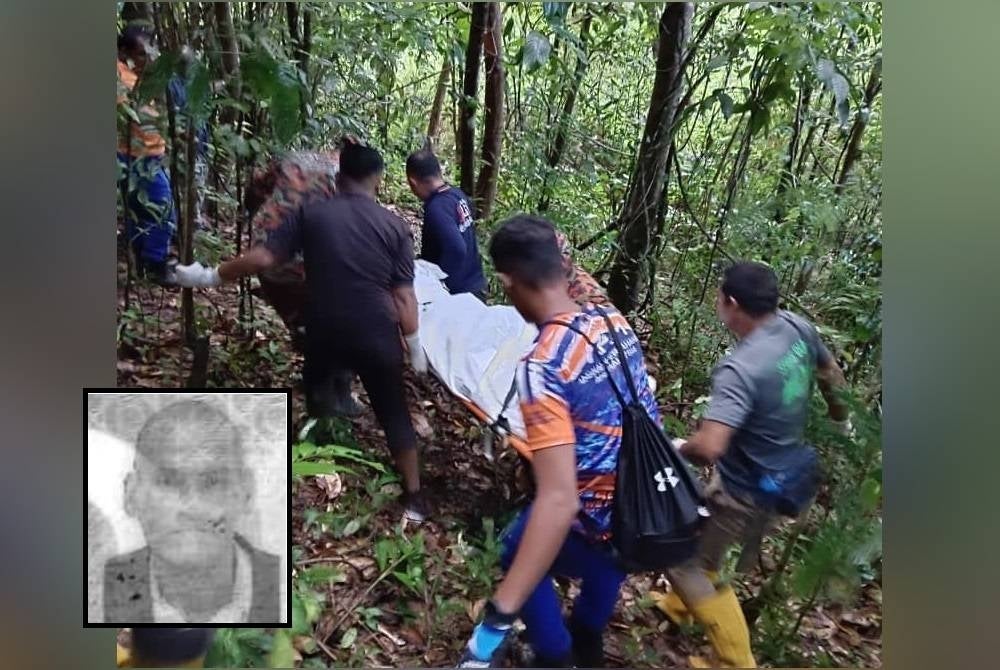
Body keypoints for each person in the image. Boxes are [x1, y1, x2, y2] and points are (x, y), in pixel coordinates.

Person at [170, 139, 432, 522]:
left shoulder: (312, 213)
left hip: (323, 326)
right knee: (394, 413)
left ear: (338, 177)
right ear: (378, 180)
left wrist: (210, 276)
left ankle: (316, 444)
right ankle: (414, 499)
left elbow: (263, 257)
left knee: (316, 377)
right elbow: (404, 297)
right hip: (375, 331)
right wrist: (414, 346)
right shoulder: (395, 227)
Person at [457, 215, 660, 668]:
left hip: (595, 515)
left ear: (508, 282)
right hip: (638, 500)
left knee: (516, 548)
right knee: (607, 556)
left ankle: (556, 655)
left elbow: (560, 500)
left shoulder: (544, 364)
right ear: (564, 268)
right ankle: (587, 635)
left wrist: (496, 620)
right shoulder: (612, 322)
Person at [652, 261, 850, 668]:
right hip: (790, 473)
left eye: (719, 295)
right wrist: (841, 422)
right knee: (705, 542)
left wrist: (675, 445)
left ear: (732, 303)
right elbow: (830, 372)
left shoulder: (739, 369)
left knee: (682, 562)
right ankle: (678, 607)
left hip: (747, 490)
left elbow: (709, 447)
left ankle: (735, 659)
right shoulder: (796, 327)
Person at [102, 400, 281, 624]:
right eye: (167, 481)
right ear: (131, 494)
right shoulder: (94, 590)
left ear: (246, 491)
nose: (192, 507)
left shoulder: (286, 587)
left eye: (213, 482)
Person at [117, 24, 175, 283]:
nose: (149, 58)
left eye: (151, 52)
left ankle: (142, 259)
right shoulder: (121, 79)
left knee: (140, 211)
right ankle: (155, 264)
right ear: (124, 53)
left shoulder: (145, 77)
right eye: (141, 53)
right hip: (135, 157)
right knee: (163, 210)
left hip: (146, 154)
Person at [405, 149, 487, 299]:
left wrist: (437, 282)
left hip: (459, 296)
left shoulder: (437, 208)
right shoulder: (456, 194)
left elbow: (457, 248)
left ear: (413, 182)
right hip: (475, 284)